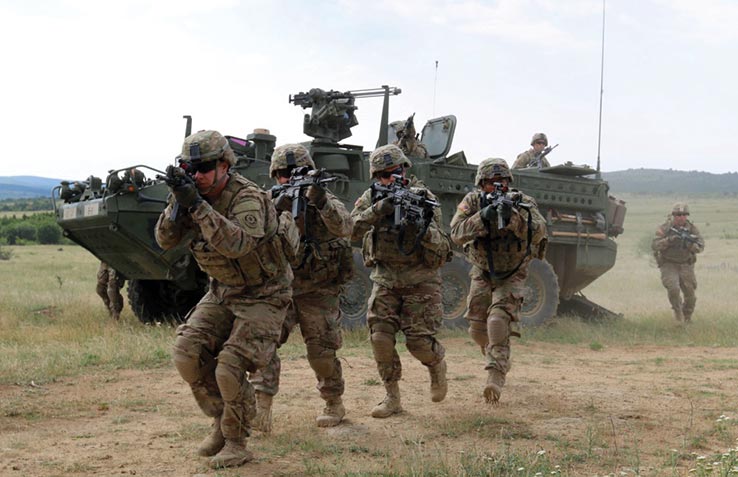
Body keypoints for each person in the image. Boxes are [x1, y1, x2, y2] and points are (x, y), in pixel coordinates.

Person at [155, 130, 296, 469]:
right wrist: (179, 204)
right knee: (187, 352)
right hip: (224, 290)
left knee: (230, 365)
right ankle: (220, 418)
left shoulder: (247, 197)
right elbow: (164, 240)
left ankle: (236, 440)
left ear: (224, 165)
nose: (198, 175)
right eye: (190, 168)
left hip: (266, 293)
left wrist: (198, 207)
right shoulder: (190, 196)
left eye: (204, 168)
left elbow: (237, 245)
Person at [250, 144, 353, 431]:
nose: (289, 178)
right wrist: (274, 206)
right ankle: (261, 409)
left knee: (321, 351)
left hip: (318, 289)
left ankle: (334, 402)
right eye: (283, 173)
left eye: (298, 172)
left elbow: (346, 227)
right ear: (275, 175)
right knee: (263, 345)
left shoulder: (324, 198)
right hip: (278, 287)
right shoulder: (267, 200)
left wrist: (319, 201)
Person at [350, 144, 452, 418]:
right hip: (386, 279)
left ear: (404, 169)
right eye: (381, 176)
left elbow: (443, 246)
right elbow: (350, 230)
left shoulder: (423, 197)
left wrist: (420, 226)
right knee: (380, 337)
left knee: (418, 344)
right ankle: (392, 397)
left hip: (421, 281)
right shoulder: (371, 197)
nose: (387, 180)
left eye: (392, 173)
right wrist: (379, 209)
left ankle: (436, 364)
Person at [450, 158, 547, 403]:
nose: (498, 186)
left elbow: (540, 231)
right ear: (482, 184)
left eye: (502, 181)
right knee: (477, 329)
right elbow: (456, 233)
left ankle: (495, 377)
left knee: (497, 321)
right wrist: (483, 216)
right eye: (492, 183)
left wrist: (513, 217)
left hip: (513, 271)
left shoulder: (522, 202)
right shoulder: (472, 201)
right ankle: (494, 352)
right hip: (482, 270)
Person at [651, 202, 704, 323]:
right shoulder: (665, 228)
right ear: (673, 215)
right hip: (669, 264)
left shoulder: (692, 229)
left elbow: (700, 246)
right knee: (673, 289)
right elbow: (655, 245)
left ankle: (687, 317)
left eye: (684, 214)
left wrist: (690, 244)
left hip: (686, 264)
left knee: (690, 295)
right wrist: (669, 240)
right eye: (678, 214)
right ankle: (678, 312)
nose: (681, 217)